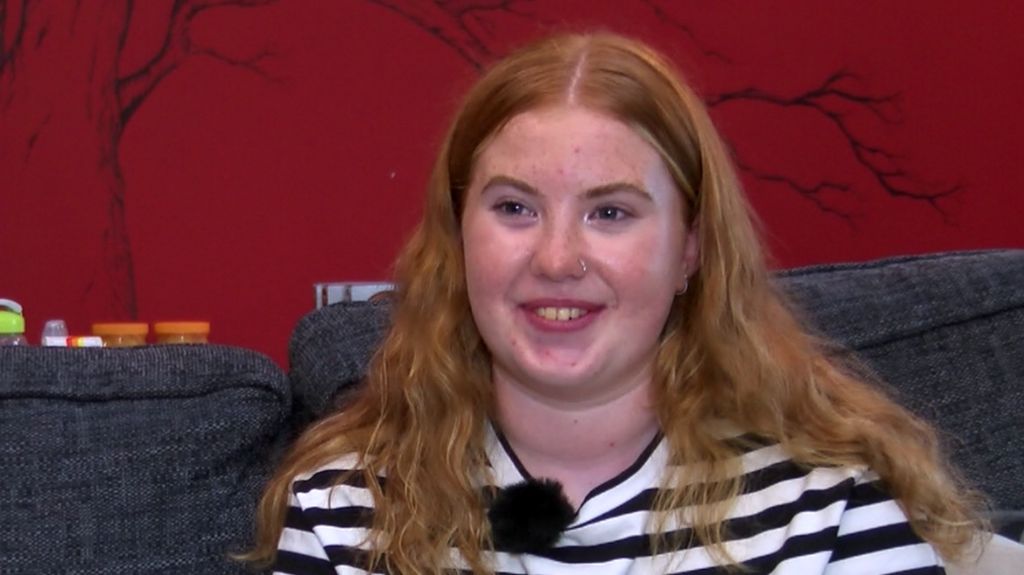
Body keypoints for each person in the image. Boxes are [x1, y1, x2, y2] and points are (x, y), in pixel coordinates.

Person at [247, 32, 983, 574]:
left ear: (690, 248)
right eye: (514, 208)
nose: (558, 259)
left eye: (611, 213)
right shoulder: (342, 515)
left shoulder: (827, 514)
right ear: (458, 237)